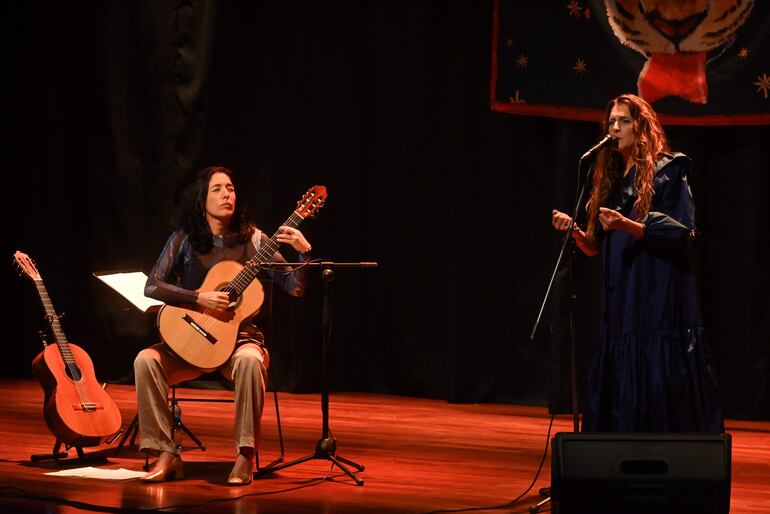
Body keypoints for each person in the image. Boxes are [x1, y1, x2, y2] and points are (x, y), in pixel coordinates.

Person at [551, 93, 723, 433]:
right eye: (611, 122)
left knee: (653, 360)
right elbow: (594, 247)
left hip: (656, 287)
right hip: (621, 291)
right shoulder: (610, 179)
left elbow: (681, 230)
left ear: (641, 127)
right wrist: (575, 231)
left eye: (624, 121)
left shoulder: (667, 169)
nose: (615, 128)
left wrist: (627, 224)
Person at [134, 166, 312, 484]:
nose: (226, 194)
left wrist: (303, 253)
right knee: (146, 360)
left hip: (239, 343)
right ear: (201, 199)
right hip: (190, 343)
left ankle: (245, 455)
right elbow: (152, 286)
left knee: (250, 360)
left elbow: (294, 287)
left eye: (230, 188)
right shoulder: (184, 239)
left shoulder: (256, 239)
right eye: (217, 189)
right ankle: (165, 452)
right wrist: (198, 297)